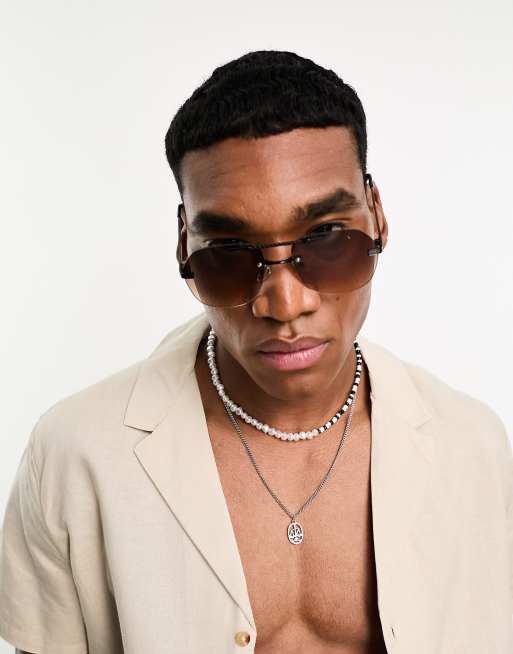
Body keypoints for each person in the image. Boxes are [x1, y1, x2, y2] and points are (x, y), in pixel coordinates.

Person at [1, 50, 512, 654]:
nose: (285, 303)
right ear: (185, 248)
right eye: (230, 253)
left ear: (377, 217)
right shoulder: (75, 455)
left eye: (326, 238)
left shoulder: (473, 450)